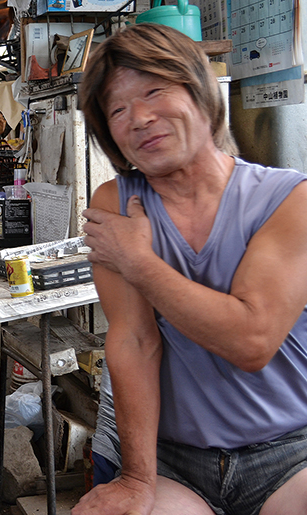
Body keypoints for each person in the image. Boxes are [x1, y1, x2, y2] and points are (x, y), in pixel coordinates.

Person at [72, 23, 307, 515]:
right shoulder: (116, 202)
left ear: (199, 91)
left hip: (291, 452)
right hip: (176, 460)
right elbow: (135, 340)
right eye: (117, 109)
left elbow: (252, 340)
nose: (138, 117)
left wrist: (139, 262)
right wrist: (136, 479)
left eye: (155, 90)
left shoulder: (289, 198)